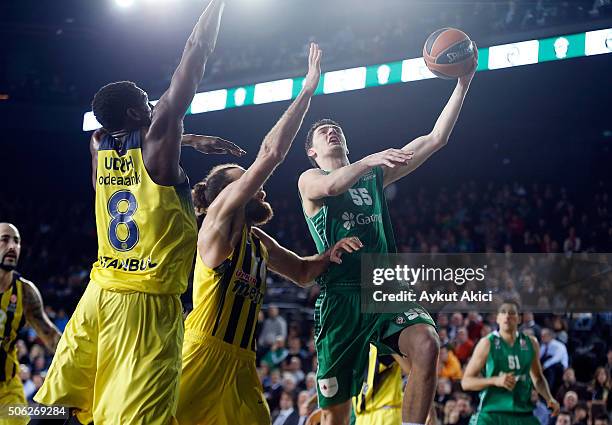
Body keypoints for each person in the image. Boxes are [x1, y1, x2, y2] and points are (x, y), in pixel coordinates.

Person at [34, 1, 233, 423]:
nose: (152, 104)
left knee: (59, 402)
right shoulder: (160, 135)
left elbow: (133, 135)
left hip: (99, 291)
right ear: (135, 112)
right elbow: (193, 56)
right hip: (146, 301)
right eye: (145, 101)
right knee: (141, 415)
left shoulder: (97, 144)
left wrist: (192, 141)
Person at [175, 43, 362, 425]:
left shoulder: (258, 243)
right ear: (226, 197)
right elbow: (271, 153)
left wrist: (330, 253)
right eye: (244, 183)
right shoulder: (216, 224)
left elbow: (303, 273)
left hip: (242, 363)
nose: (256, 186)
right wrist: (307, 91)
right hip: (201, 352)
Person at [298, 43, 479, 425]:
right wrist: (367, 160)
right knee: (335, 416)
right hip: (341, 299)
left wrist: (463, 82)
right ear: (312, 152)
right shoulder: (310, 178)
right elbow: (331, 190)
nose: (332, 132)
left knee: (428, 345)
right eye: (324, 132)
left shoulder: (373, 174)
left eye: (336, 129)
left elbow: (435, 139)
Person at [461, 300, 560, 425]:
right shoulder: (487, 343)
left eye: (512, 313)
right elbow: (466, 382)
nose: (507, 316)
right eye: (503, 312)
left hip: (522, 414)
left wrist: (549, 398)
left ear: (519, 319)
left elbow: (538, 378)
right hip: (492, 414)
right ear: (497, 318)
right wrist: (495, 380)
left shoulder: (531, 343)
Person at [0, 223, 61, 425]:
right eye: (5, 239)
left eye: (16, 241)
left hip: (7, 389)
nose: (12, 246)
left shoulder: (25, 292)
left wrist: (84, 361)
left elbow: (50, 336)